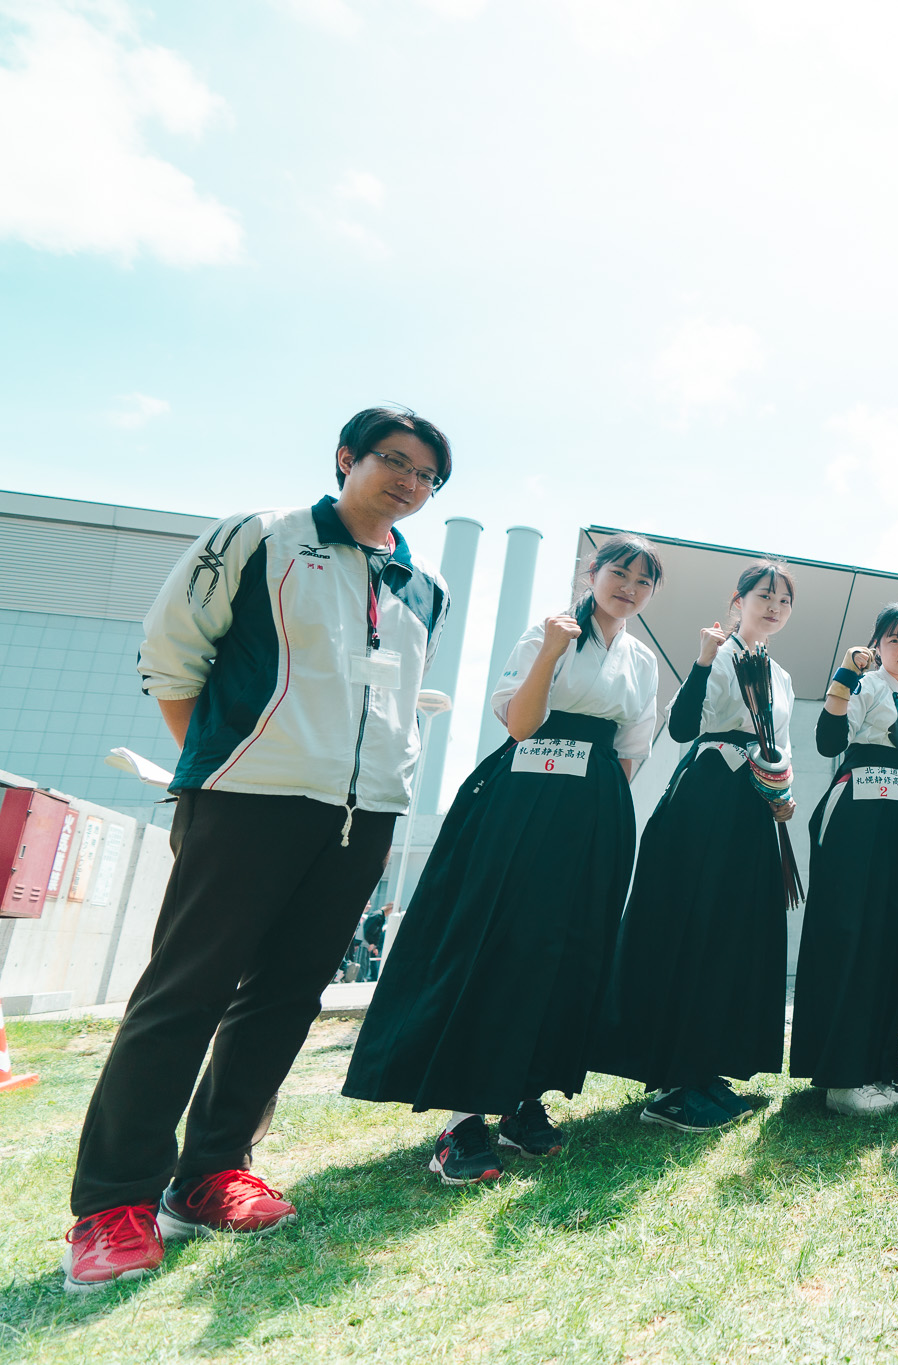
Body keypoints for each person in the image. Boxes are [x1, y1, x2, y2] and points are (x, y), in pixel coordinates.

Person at [61, 407, 450, 1293]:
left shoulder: (422, 585)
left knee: (284, 998)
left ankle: (211, 1172)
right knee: (185, 991)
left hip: (362, 815)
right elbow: (171, 653)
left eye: (427, 475)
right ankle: (113, 1202)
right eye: (394, 460)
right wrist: (223, 767)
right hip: (246, 799)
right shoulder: (261, 535)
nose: (409, 482)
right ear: (346, 457)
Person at [343, 536, 664, 1181]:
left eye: (642, 580)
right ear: (592, 573)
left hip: (593, 809)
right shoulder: (548, 631)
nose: (628, 587)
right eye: (619, 572)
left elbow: (634, 747)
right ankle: (462, 1117)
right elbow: (520, 724)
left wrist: (599, 812)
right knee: (496, 939)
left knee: (566, 946)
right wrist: (550, 651)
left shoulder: (641, 659)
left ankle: (525, 1099)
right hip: (522, 798)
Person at [592, 562, 799, 1133]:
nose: (774, 606)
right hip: (704, 801)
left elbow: (779, 746)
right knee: (695, 926)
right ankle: (676, 1079)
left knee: (736, 932)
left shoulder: (781, 675)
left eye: (784, 600)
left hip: (754, 807)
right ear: (738, 600)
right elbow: (683, 727)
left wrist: (784, 796)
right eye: (764, 595)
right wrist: (704, 661)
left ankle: (709, 1068)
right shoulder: (718, 653)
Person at [789, 602, 898, 1116]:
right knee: (849, 930)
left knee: (890, 937)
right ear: (876, 645)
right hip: (855, 812)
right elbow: (828, 740)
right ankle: (841, 1076)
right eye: (893, 639)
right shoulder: (865, 684)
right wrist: (843, 678)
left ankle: (878, 1069)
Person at [360, 904, 389, 983]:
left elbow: (377, 932)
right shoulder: (378, 916)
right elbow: (369, 930)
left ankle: (363, 978)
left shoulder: (380, 916)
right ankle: (361, 978)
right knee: (363, 961)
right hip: (367, 941)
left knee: (366, 961)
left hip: (369, 942)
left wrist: (374, 945)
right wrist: (372, 943)